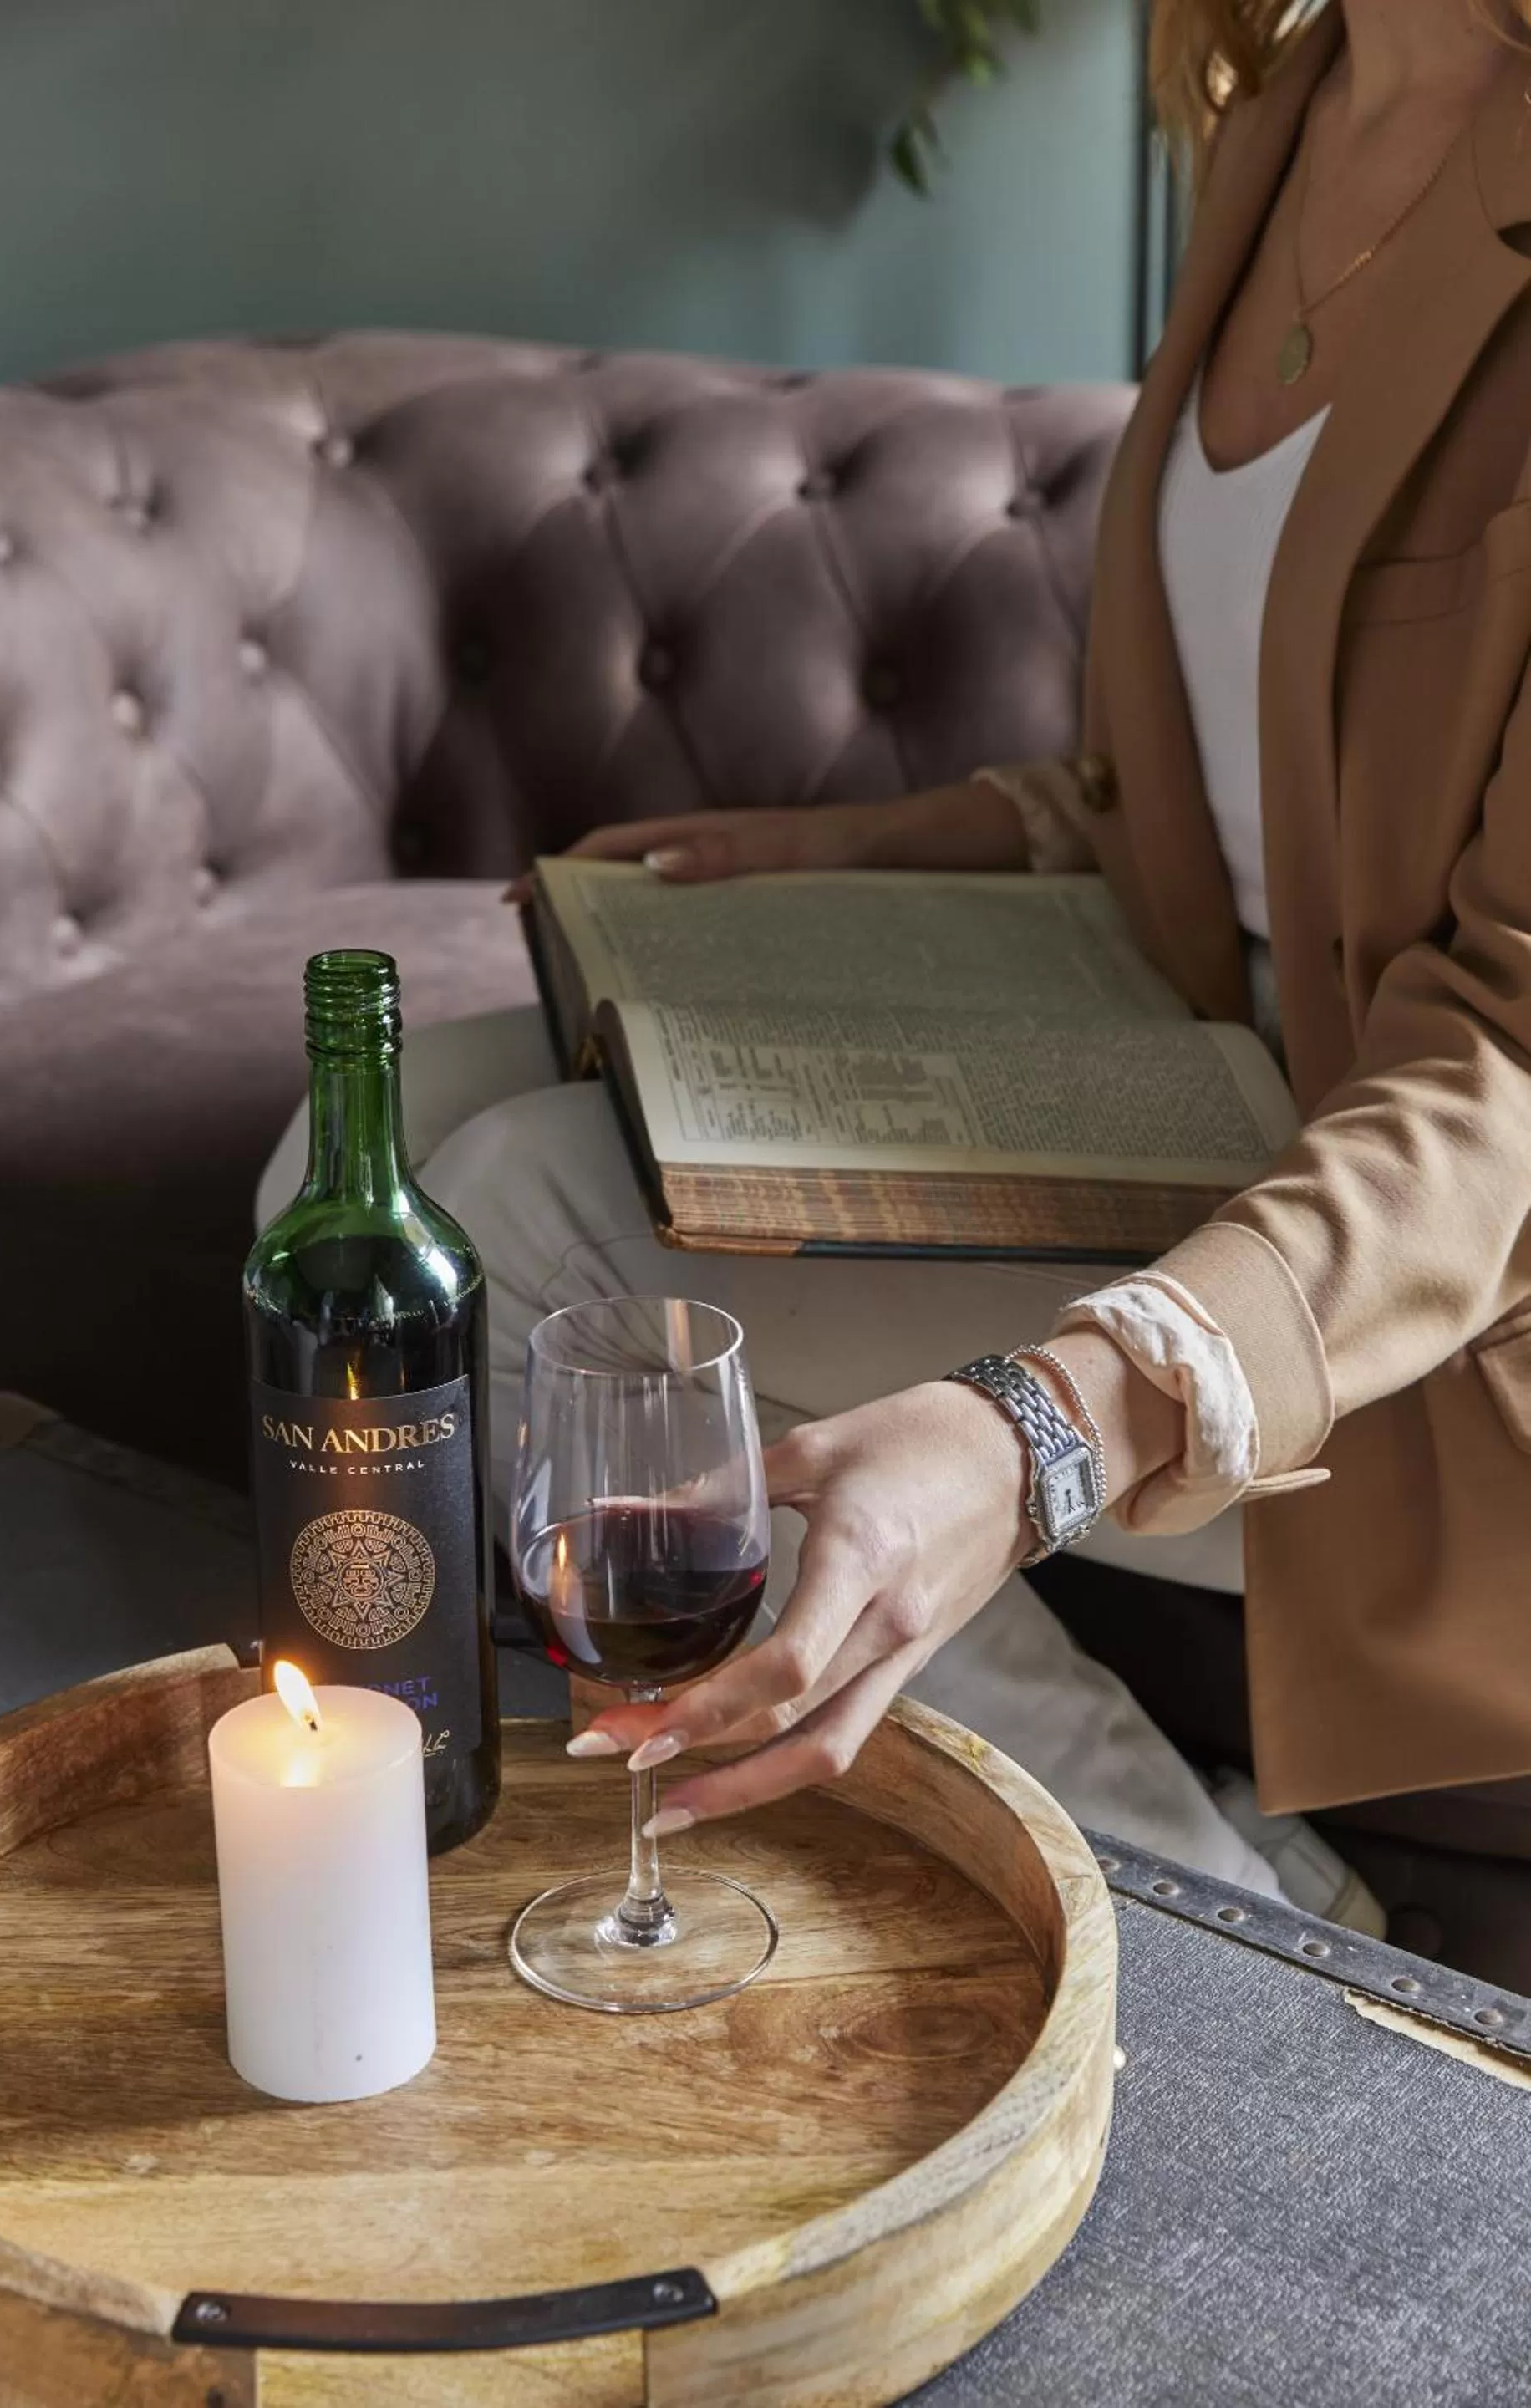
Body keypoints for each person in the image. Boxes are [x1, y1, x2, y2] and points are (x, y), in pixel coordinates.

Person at [262, 0, 1531, 1970]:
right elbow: (1264, 772)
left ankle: (1209, 1916)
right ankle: (391, 1823)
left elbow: (1514, 1078)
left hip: (1417, 1288)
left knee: (523, 1218)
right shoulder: (1279, 111)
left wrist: (1039, 1421)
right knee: (373, 1152)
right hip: (1193, 1057)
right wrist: (901, 839)